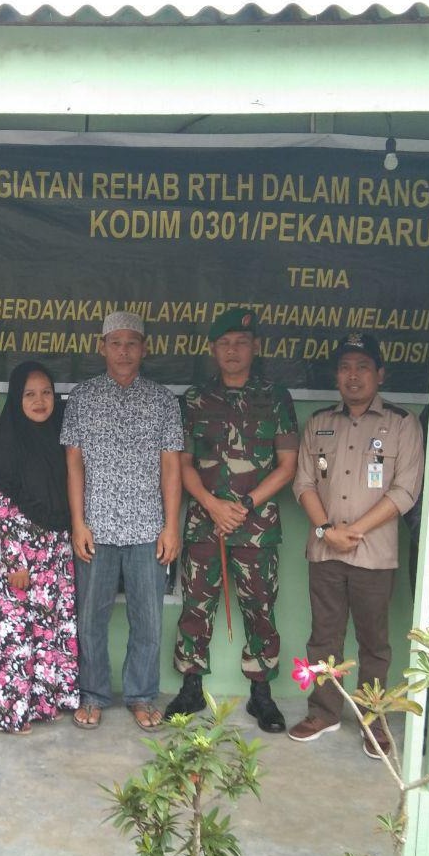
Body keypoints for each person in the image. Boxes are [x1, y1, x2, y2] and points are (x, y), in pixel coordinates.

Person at [289, 331, 424, 758]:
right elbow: (304, 483)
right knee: (323, 638)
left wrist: (355, 530)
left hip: (374, 555)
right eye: (345, 367)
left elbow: (406, 490)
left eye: (363, 366)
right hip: (325, 550)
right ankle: (324, 712)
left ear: (379, 374)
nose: (353, 375)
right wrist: (328, 529)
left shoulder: (403, 423)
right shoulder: (319, 423)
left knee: (374, 643)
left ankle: (374, 720)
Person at [165, 308, 299, 733]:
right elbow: (182, 464)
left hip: (256, 527)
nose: (232, 350)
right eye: (224, 343)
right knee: (195, 606)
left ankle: (262, 694)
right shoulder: (193, 399)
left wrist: (243, 503)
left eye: (241, 342)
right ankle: (191, 686)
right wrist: (211, 504)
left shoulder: (276, 397)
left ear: (254, 347)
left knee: (261, 609)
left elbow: (288, 464)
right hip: (205, 525)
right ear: (212, 350)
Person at [62, 310, 182, 732]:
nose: (124, 351)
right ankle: (92, 694)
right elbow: (74, 464)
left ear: (144, 349)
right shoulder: (82, 398)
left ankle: (141, 694)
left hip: (148, 528)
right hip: (96, 526)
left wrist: (170, 526)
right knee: (90, 616)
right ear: (102, 348)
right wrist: (78, 522)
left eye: (132, 343)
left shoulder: (164, 401)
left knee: (147, 618)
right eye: (116, 343)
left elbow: (171, 468)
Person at [0, 361, 79, 733]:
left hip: (55, 551)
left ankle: (42, 703)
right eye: (29, 394)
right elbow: (1, 507)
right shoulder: (9, 440)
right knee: (16, 634)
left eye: (47, 393)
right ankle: (10, 710)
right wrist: (15, 561)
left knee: (49, 628)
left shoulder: (59, 437)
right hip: (20, 555)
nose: (39, 401)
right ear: (16, 398)